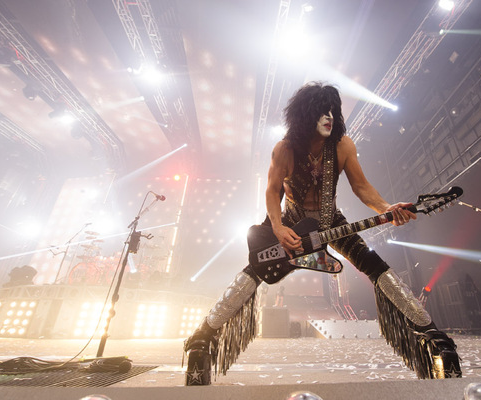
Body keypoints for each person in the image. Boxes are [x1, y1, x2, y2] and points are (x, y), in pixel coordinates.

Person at [183, 82, 461, 385]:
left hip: (332, 222)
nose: (329, 117)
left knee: (376, 267)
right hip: (290, 222)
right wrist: (277, 227)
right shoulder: (285, 149)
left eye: (332, 111)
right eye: (321, 111)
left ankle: (432, 337)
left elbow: (361, 186)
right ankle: (202, 338)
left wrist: (385, 207)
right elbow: (272, 191)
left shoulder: (343, 145)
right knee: (254, 271)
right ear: (306, 115)